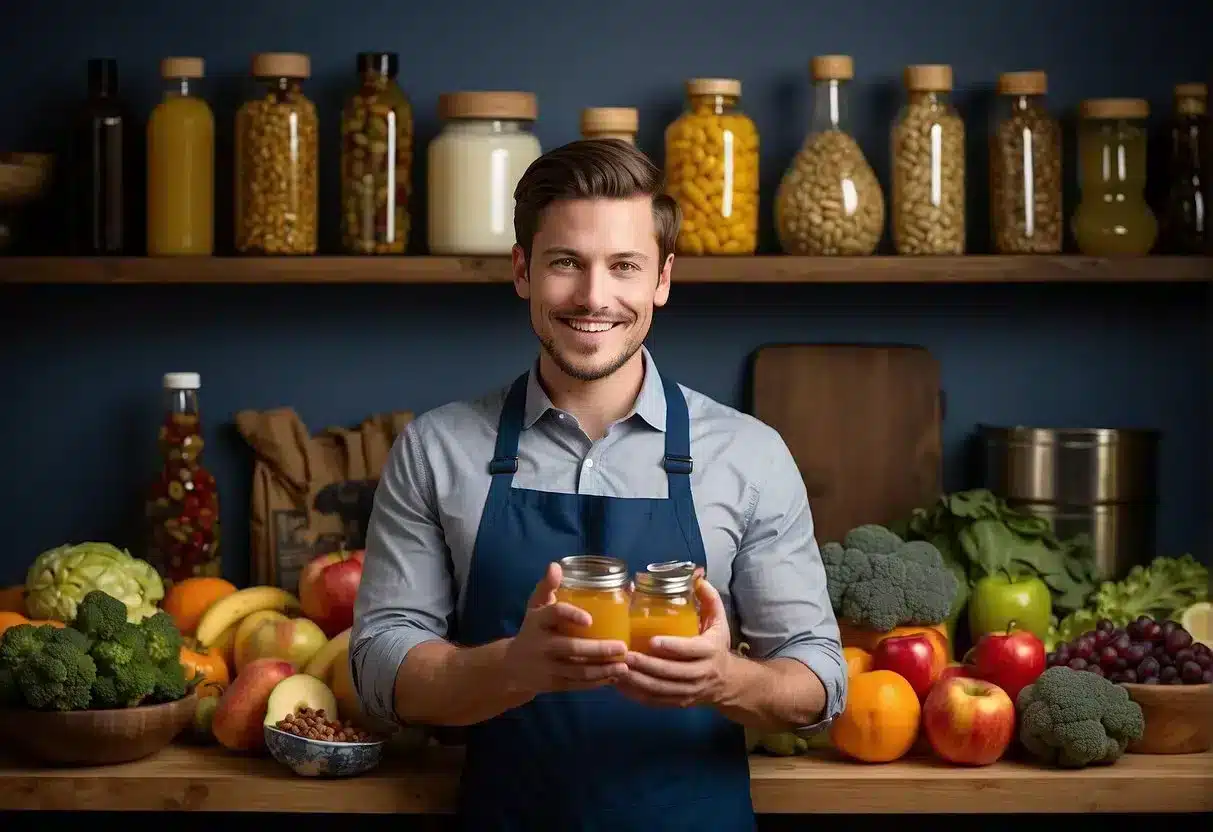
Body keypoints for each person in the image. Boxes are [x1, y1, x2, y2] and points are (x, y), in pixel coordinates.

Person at [350, 139, 846, 831]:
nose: (593, 297)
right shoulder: (437, 449)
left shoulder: (748, 455)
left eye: (623, 266)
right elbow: (378, 667)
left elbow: (818, 679)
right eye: (564, 263)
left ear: (661, 279)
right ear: (522, 270)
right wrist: (513, 668)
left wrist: (725, 679)